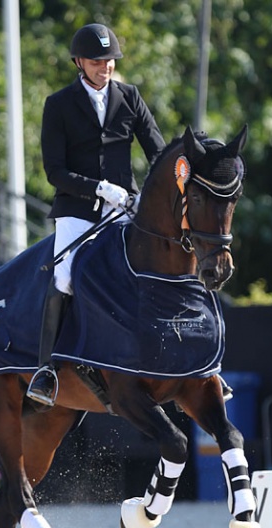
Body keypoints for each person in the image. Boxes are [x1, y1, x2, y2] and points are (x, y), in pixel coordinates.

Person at [26, 23, 166, 407]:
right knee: (66, 275)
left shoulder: (130, 97)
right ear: (79, 62)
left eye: (109, 61)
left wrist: (150, 194)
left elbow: (157, 151)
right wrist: (99, 188)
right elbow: (54, 171)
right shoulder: (58, 105)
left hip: (126, 206)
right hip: (79, 208)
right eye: (96, 61)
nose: (105, 67)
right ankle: (46, 369)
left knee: (158, 263)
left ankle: (181, 357)